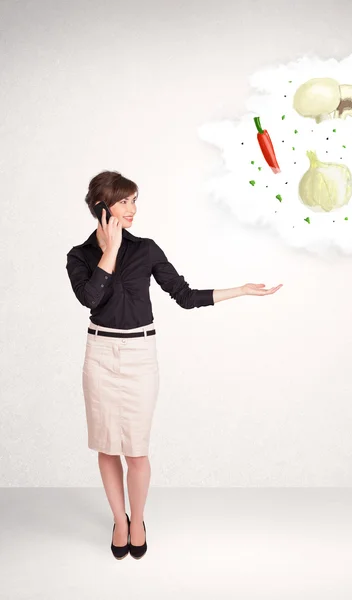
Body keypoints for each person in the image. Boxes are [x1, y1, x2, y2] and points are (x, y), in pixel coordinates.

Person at [65, 171, 282, 560]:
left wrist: (241, 291)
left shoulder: (146, 249)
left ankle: (138, 519)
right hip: (99, 357)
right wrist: (110, 250)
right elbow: (90, 298)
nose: (133, 208)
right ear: (102, 207)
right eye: (125, 201)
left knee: (136, 450)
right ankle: (119, 519)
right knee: (106, 446)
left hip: (139, 357)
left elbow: (184, 295)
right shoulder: (79, 256)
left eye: (134, 200)